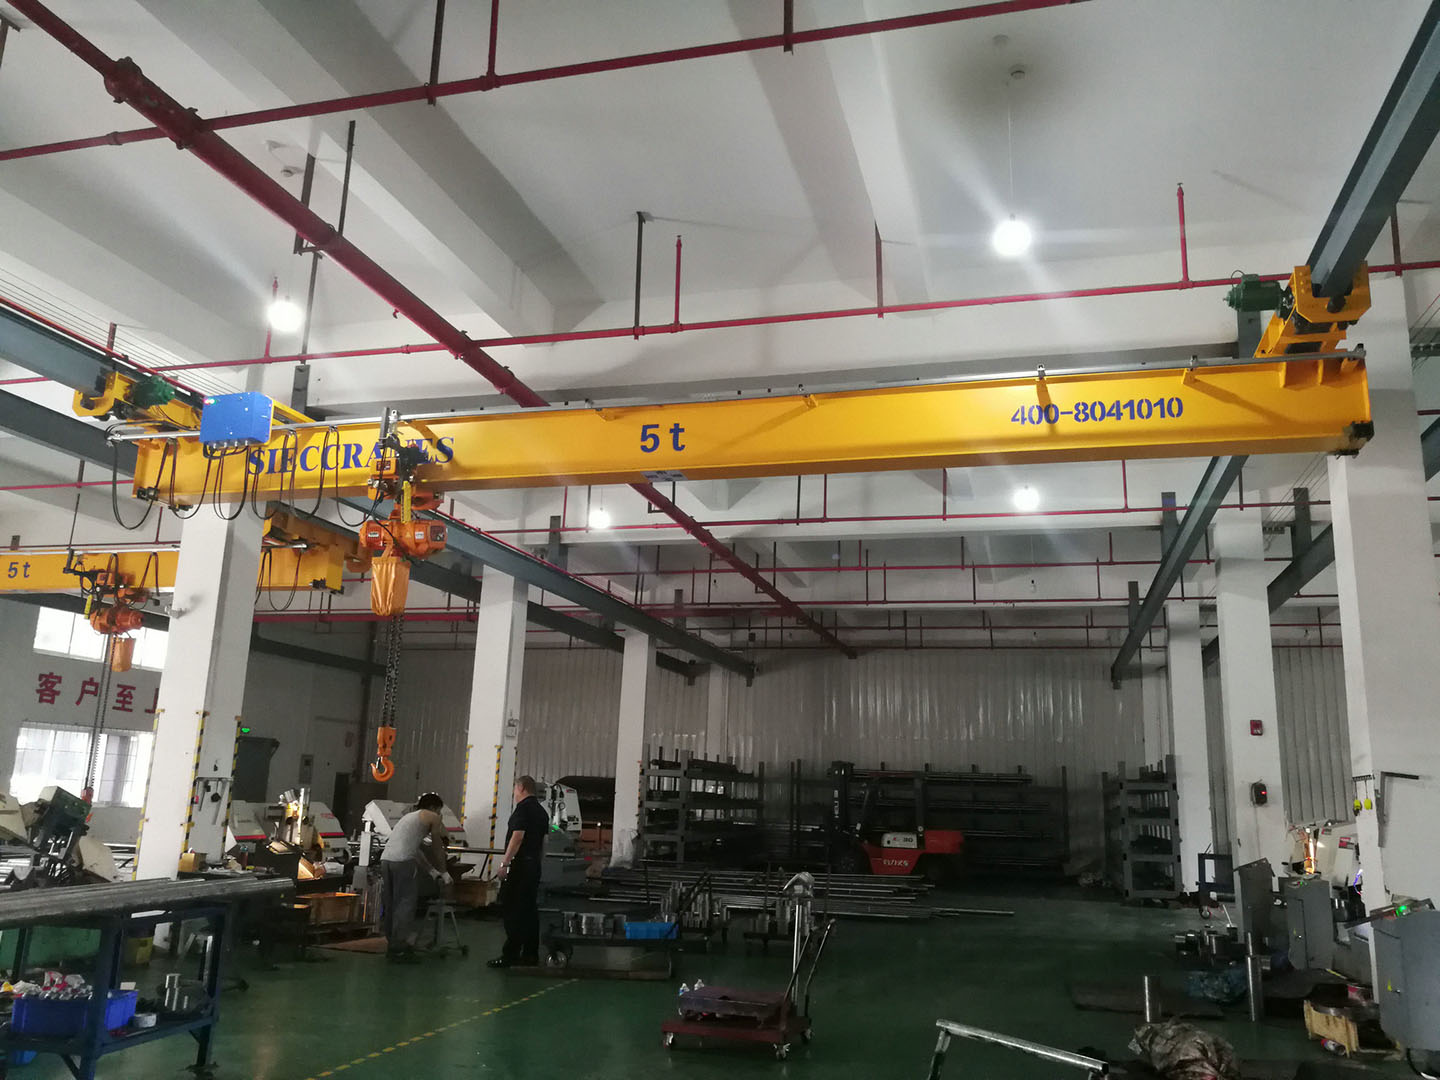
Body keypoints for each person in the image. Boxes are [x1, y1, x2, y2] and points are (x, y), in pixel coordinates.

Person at [380, 791, 451, 963]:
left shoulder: (409, 818)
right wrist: (444, 871)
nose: (440, 814)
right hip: (403, 863)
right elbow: (437, 847)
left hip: (386, 860)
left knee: (392, 904)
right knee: (405, 904)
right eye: (439, 810)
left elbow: (416, 851)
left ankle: (392, 946)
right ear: (434, 807)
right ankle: (400, 949)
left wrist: (432, 871)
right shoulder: (433, 817)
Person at [487, 775, 549, 968]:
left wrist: (505, 863)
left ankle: (511, 954)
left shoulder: (523, 809)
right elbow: (544, 843)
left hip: (520, 866)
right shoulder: (541, 812)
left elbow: (518, 837)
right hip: (533, 865)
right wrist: (537, 863)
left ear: (521, 788)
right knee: (529, 910)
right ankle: (530, 954)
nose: (514, 793)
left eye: (515, 789)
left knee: (512, 909)